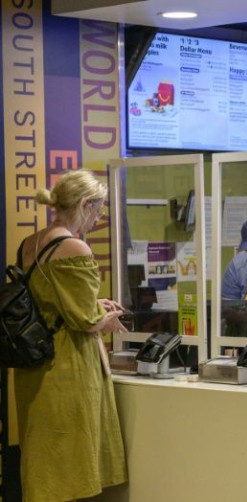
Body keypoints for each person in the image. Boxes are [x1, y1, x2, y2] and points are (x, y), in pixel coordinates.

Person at [14, 170, 128, 501]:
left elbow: (50, 299)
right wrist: (105, 317)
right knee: (69, 460)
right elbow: (85, 321)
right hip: (67, 368)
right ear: (84, 204)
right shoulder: (74, 247)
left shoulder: (30, 242)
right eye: (98, 209)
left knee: (43, 458)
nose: (98, 217)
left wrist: (92, 304)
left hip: (34, 366)